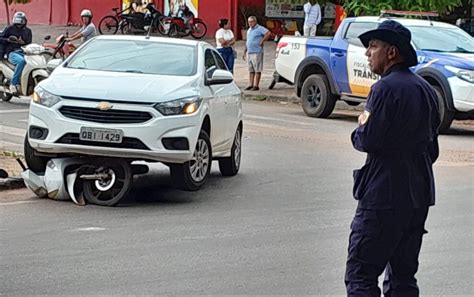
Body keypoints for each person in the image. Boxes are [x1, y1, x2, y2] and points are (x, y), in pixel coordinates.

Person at [345, 20, 440, 296]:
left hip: (382, 198)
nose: (367, 53)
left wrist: (358, 131)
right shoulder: (426, 90)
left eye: (373, 46)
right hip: (418, 197)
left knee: (361, 275)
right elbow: (432, 150)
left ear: (392, 53)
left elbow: (367, 139)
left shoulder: (384, 89)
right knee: (403, 277)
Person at [0, 12, 32, 95]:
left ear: (25, 21)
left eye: (21, 22)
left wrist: (22, 42)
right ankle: (13, 84)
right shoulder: (9, 29)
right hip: (12, 52)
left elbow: (29, 42)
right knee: (21, 61)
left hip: (24, 52)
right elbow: (1, 38)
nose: (19, 25)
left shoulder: (28, 31)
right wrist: (8, 40)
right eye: (17, 23)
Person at [243, 16, 271, 91]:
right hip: (250, 52)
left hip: (257, 52)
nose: (250, 23)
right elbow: (247, 41)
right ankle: (251, 84)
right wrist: (245, 51)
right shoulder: (249, 30)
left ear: (255, 21)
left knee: (257, 69)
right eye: (249, 22)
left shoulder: (259, 28)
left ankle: (256, 85)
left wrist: (262, 41)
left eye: (252, 22)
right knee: (251, 70)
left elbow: (268, 33)